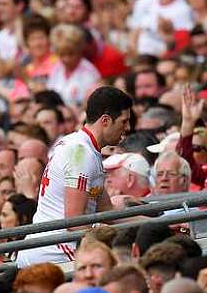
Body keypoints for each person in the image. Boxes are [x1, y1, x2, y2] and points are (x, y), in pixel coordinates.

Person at [17, 86, 132, 267]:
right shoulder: (81, 153)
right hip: (53, 255)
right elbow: (74, 222)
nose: (128, 128)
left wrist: (156, 222)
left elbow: (107, 209)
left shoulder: (81, 146)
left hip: (49, 251)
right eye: (124, 122)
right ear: (106, 121)